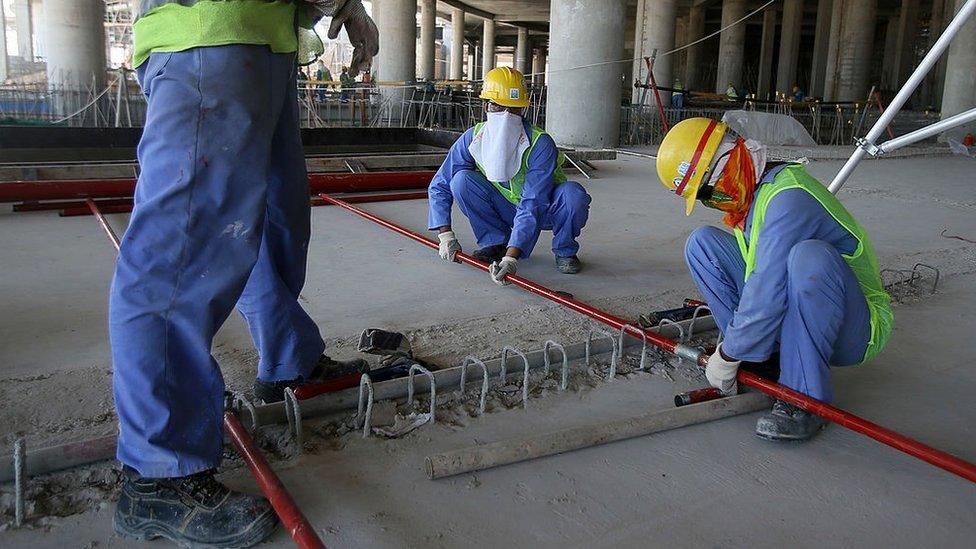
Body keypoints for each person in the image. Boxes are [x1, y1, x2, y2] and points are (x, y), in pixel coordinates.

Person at [110, 1, 377, 547]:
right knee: (182, 253)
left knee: (277, 220)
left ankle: (288, 361)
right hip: (205, 30)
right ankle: (158, 469)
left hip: (265, 39)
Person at [655, 118, 893, 441]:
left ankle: (804, 398)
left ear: (729, 159)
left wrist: (726, 356)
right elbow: (760, 279)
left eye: (709, 189)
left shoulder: (787, 198)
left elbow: (766, 292)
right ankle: (760, 360)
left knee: (808, 258)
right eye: (703, 197)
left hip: (855, 325)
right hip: (805, 308)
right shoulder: (750, 200)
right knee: (702, 245)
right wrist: (739, 350)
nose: (712, 200)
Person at [428, 67, 591, 282]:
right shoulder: (474, 138)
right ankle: (496, 242)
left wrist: (512, 258)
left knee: (573, 195)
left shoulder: (539, 143)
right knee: (461, 181)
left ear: (522, 109)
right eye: (498, 106)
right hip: (504, 206)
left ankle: (564, 250)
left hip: (548, 210)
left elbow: (534, 202)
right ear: (487, 105)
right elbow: (440, 184)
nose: (506, 115)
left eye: (512, 108)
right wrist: (445, 234)